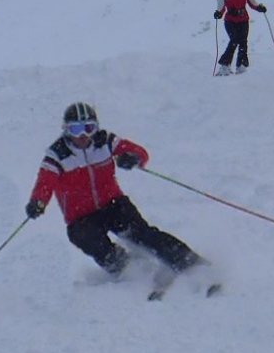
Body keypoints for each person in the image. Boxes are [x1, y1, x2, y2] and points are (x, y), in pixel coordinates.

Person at [24, 102, 205, 279]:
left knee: (142, 233)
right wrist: (37, 202)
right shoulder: (57, 154)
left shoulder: (105, 141)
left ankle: (190, 263)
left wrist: (132, 157)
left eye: (89, 127)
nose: (83, 135)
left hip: (112, 205)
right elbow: (45, 183)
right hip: (81, 218)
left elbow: (140, 152)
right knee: (87, 239)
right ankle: (127, 269)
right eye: (76, 129)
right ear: (66, 130)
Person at [213, 0, 267, 74]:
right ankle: (225, 65)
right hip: (230, 20)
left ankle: (241, 66)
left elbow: (252, 1)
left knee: (243, 42)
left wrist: (258, 7)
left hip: (243, 19)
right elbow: (221, 5)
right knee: (234, 40)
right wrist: (219, 13)